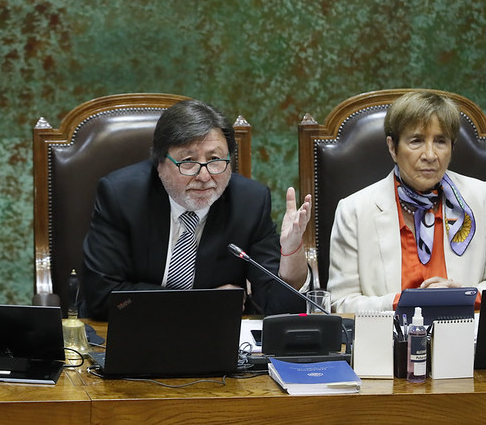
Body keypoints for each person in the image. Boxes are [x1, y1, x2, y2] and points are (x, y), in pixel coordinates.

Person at [81, 99, 312, 320]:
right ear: (159, 163)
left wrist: (291, 255)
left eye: (215, 159)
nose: (204, 176)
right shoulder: (122, 196)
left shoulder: (249, 202)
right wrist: (202, 303)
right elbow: (103, 297)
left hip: (216, 340)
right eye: (188, 161)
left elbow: (279, 309)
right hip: (134, 330)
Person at [327, 91, 486, 313]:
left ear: (452, 147)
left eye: (440, 141)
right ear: (392, 147)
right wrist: (402, 302)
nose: (430, 154)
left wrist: (461, 296)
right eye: (416, 141)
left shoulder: (480, 197)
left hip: (464, 337)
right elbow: (340, 304)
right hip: (390, 342)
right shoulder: (354, 211)